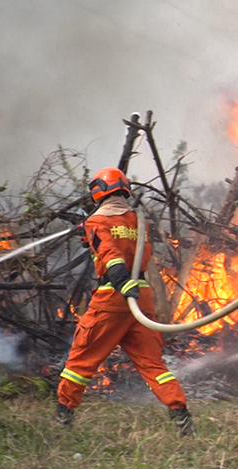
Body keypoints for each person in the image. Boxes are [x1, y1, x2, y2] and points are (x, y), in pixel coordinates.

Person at [56, 167, 193, 434]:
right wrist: (90, 239)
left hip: (113, 297)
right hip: (142, 297)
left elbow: (111, 254)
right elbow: (130, 248)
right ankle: (180, 412)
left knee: (82, 358)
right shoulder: (138, 220)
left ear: (97, 192)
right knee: (152, 363)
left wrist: (120, 281)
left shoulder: (97, 221)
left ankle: (64, 411)